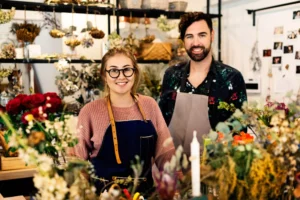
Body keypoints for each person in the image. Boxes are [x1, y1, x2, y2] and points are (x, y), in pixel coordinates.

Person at [73, 47, 175, 193]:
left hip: (144, 195)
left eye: (127, 69)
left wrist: (175, 188)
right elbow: (77, 162)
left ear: (135, 72)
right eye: (114, 70)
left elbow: (165, 154)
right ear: (104, 75)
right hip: (103, 195)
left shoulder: (150, 105)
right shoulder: (90, 111)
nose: (121, 76)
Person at [159, 12, 247, 157]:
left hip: (216, 169)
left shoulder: (231, 78)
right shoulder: (171, 75)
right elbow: (161, 124)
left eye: (202, 35)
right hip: (175, 167)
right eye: (189, 36)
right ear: (183, 40)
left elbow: (240, 133)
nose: (196, 43)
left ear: (212, 35)